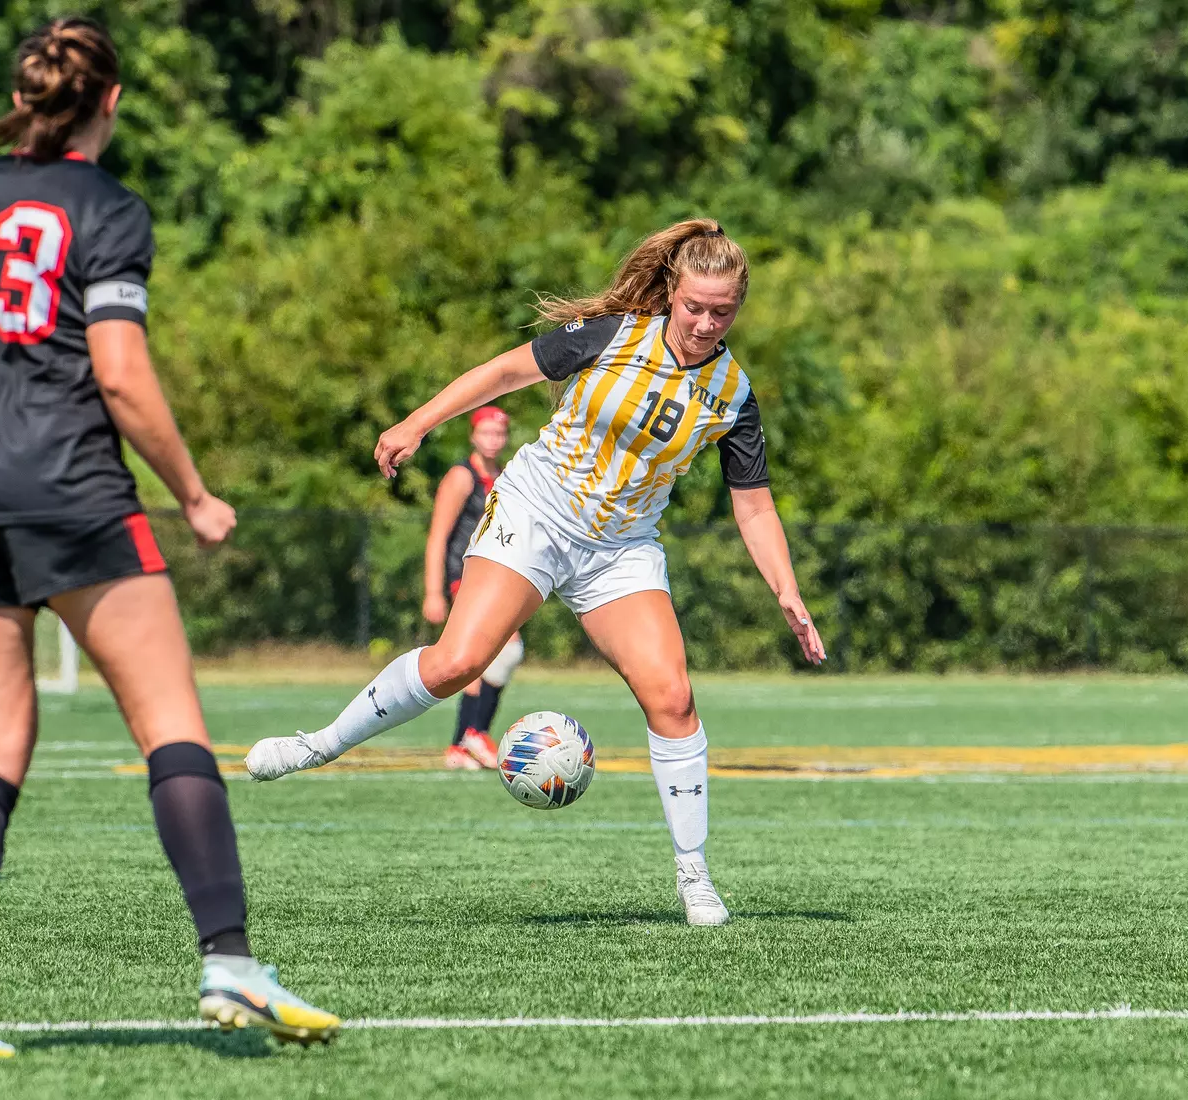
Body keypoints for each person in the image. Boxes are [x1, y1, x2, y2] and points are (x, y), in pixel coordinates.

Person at [0, 17, 338, 1060]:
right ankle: (229, 959)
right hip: (69, 486)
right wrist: (194, 493)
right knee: (170, 724)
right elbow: (118, 374)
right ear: (109, 101)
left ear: (23, 98)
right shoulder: (108, 208)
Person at [247, 218, 826, 926]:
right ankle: (319, 745)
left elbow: (754, 505)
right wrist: (416, 423)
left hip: (621, 548)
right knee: (457, 664)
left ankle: (694, 875)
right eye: (694, 307)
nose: (706, 324)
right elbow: (502, 373)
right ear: (671, 293)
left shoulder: (733, 393)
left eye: (723, 312)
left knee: (673, 698)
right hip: (537, 513)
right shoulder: (613, 335)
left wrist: (787, 591)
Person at [424, 405, 524, 770]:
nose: (493, 440)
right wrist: (433, 592)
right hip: (465, 577)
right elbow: (438, 536)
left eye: (499, 433)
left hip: (498, 576)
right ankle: (472, 734)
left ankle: (462, 744)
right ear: (473, 436)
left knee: (488, 658)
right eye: (486, 433)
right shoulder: (461, 477)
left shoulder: (506, 475)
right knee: (496, 653)